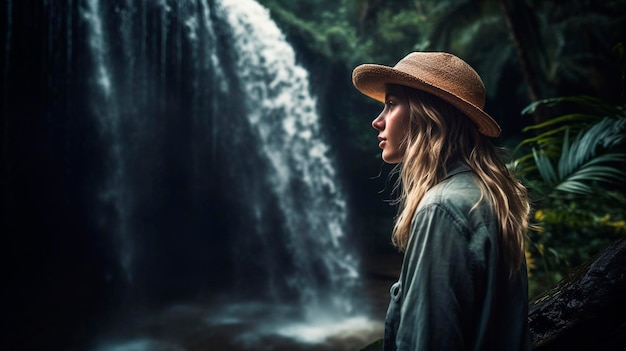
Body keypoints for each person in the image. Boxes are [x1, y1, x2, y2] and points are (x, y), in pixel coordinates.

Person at [352, 52, 532, 350]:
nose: (377, 121)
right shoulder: (484, 196)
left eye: (392, 104)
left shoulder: (442, 209)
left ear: (429, 115)